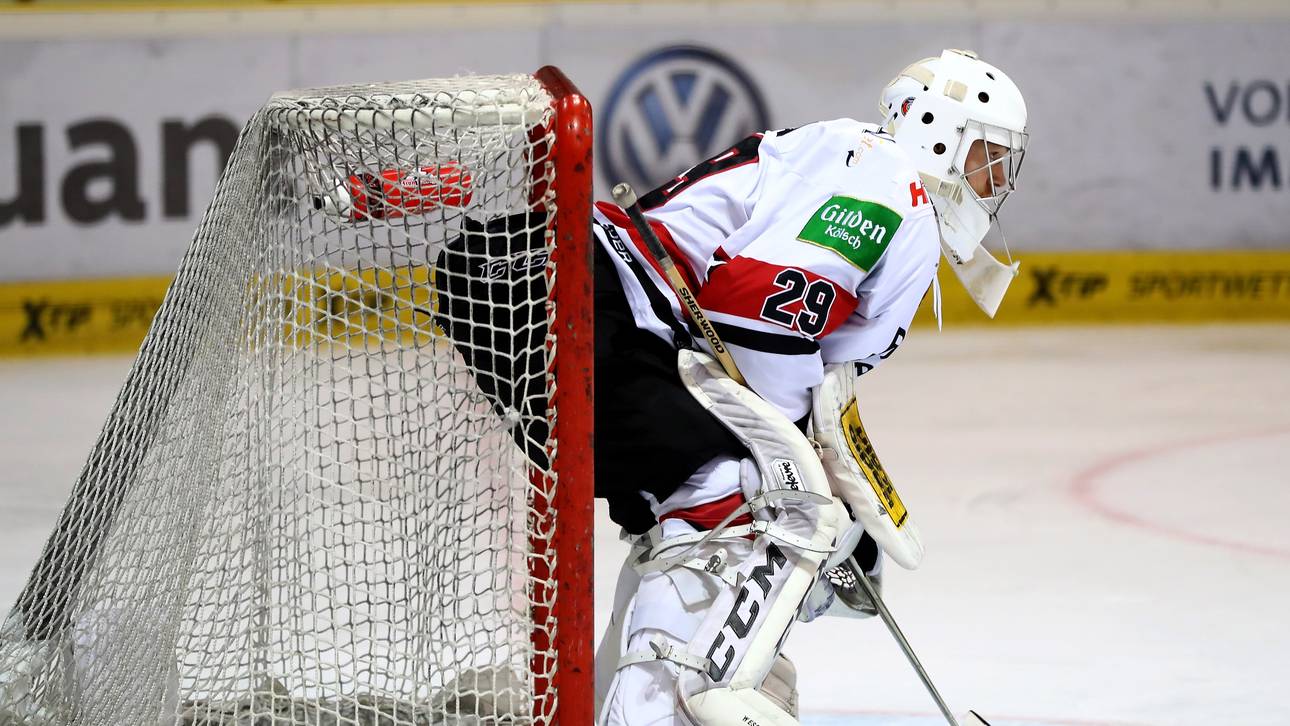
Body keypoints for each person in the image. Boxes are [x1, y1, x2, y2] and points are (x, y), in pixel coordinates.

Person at [586, 48, 1029, 725]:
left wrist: (859, 504)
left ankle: (618, 701)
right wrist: (795, 466)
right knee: (752, 505)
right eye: (986, 155)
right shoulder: (892, 191)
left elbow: (812, 382)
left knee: (716, 502)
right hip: (604, 311)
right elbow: (751, 310)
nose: (994, 179)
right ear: (940, 131)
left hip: (594, 307)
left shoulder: (857, 163)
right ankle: (689, 693)